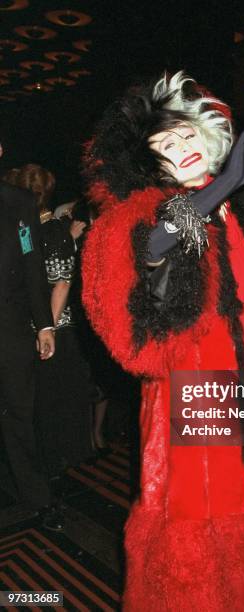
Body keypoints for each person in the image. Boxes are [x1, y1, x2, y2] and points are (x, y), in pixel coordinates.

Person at [82, 72, 244, 610]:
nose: (180, 148)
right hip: (191, 401)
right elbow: (156, 243)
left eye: (186, 134)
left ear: (209, 136)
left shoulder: (241, 213)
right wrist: (224, 184)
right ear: (149, 161)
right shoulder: (154, 215)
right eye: (164, 144)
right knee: (198, 530)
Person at [17, 164, 92, 483]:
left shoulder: (50, 231)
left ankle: (55, 471)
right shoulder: (30, 229)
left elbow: (61, 283)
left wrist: (44, 327)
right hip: (42, 328)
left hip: (54, 332)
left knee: (51, 406)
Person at [0, 145, 61, 527]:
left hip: (10, 328)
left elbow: (32, 266)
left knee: (21, 414)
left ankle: (37, 497)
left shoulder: (19, 202)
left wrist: (44, 324)